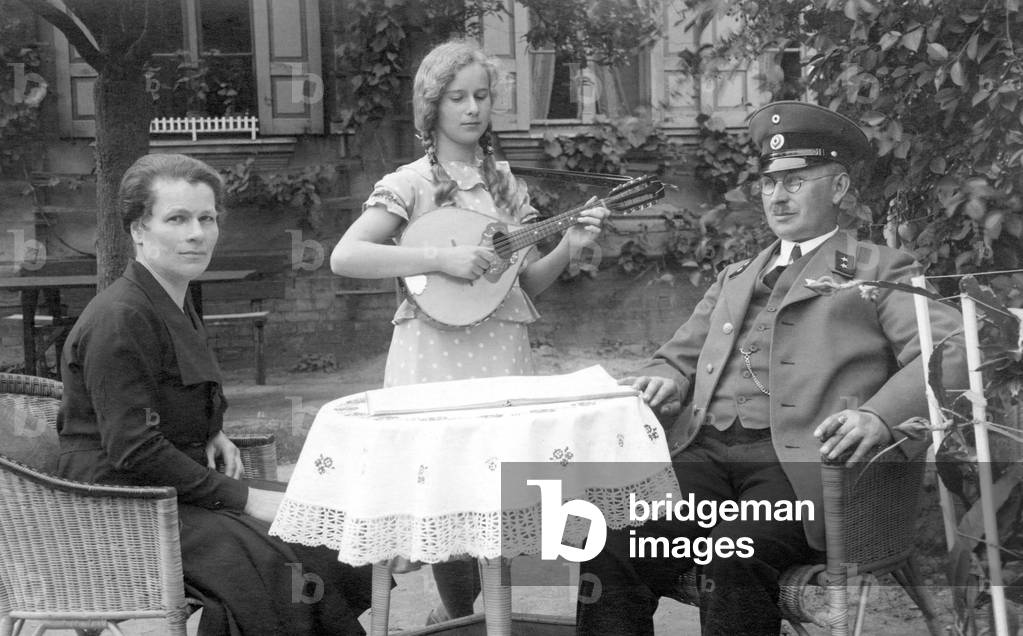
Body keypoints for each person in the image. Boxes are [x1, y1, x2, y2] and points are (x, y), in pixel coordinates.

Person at [575, 101, 968, 635]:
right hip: (704, 457)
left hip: (800, 471)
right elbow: (677, 356)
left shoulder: (880, 270)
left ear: (840, 187)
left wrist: (879, 416)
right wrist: (663, 376)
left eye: (798, 181)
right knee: (607, 535)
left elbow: (954, 348)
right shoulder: (736, 277)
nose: (778, 197)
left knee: (731, 553)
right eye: (769, 184)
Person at [330, 39, 608, 623]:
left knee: (499, 494)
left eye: (482, 95)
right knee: (446, 492)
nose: (472, 108)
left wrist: (571, 244)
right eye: (457, 97)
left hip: (502, 347)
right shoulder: (408, 183)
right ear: (431, 106)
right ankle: (459, 618)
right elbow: (347, 256)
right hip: (433, 352)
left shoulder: (507, 187)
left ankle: (485, 618)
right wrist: (439, 258)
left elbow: (523, 285)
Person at [57, 153, 374, 636]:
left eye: (206, 219)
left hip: (170, 486)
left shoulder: (171, 298)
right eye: (177, 219)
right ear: (138, 230)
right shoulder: (121, 318)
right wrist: (242, 498)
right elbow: (132, 446)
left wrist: (213, 429)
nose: (196, 233)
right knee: (271, 559)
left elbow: (168, 394)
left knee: (325, 520)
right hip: (118, 503)